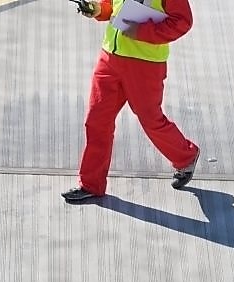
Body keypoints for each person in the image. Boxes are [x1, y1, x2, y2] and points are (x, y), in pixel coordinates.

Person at [62, 0, 200, 203]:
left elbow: (182, 22)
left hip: (145, 65)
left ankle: (186, 157)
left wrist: (141, 31)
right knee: (96, 120)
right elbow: (113, 6)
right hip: (109, 58)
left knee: (151, 120)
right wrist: (99, 10)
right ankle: (91, 184)